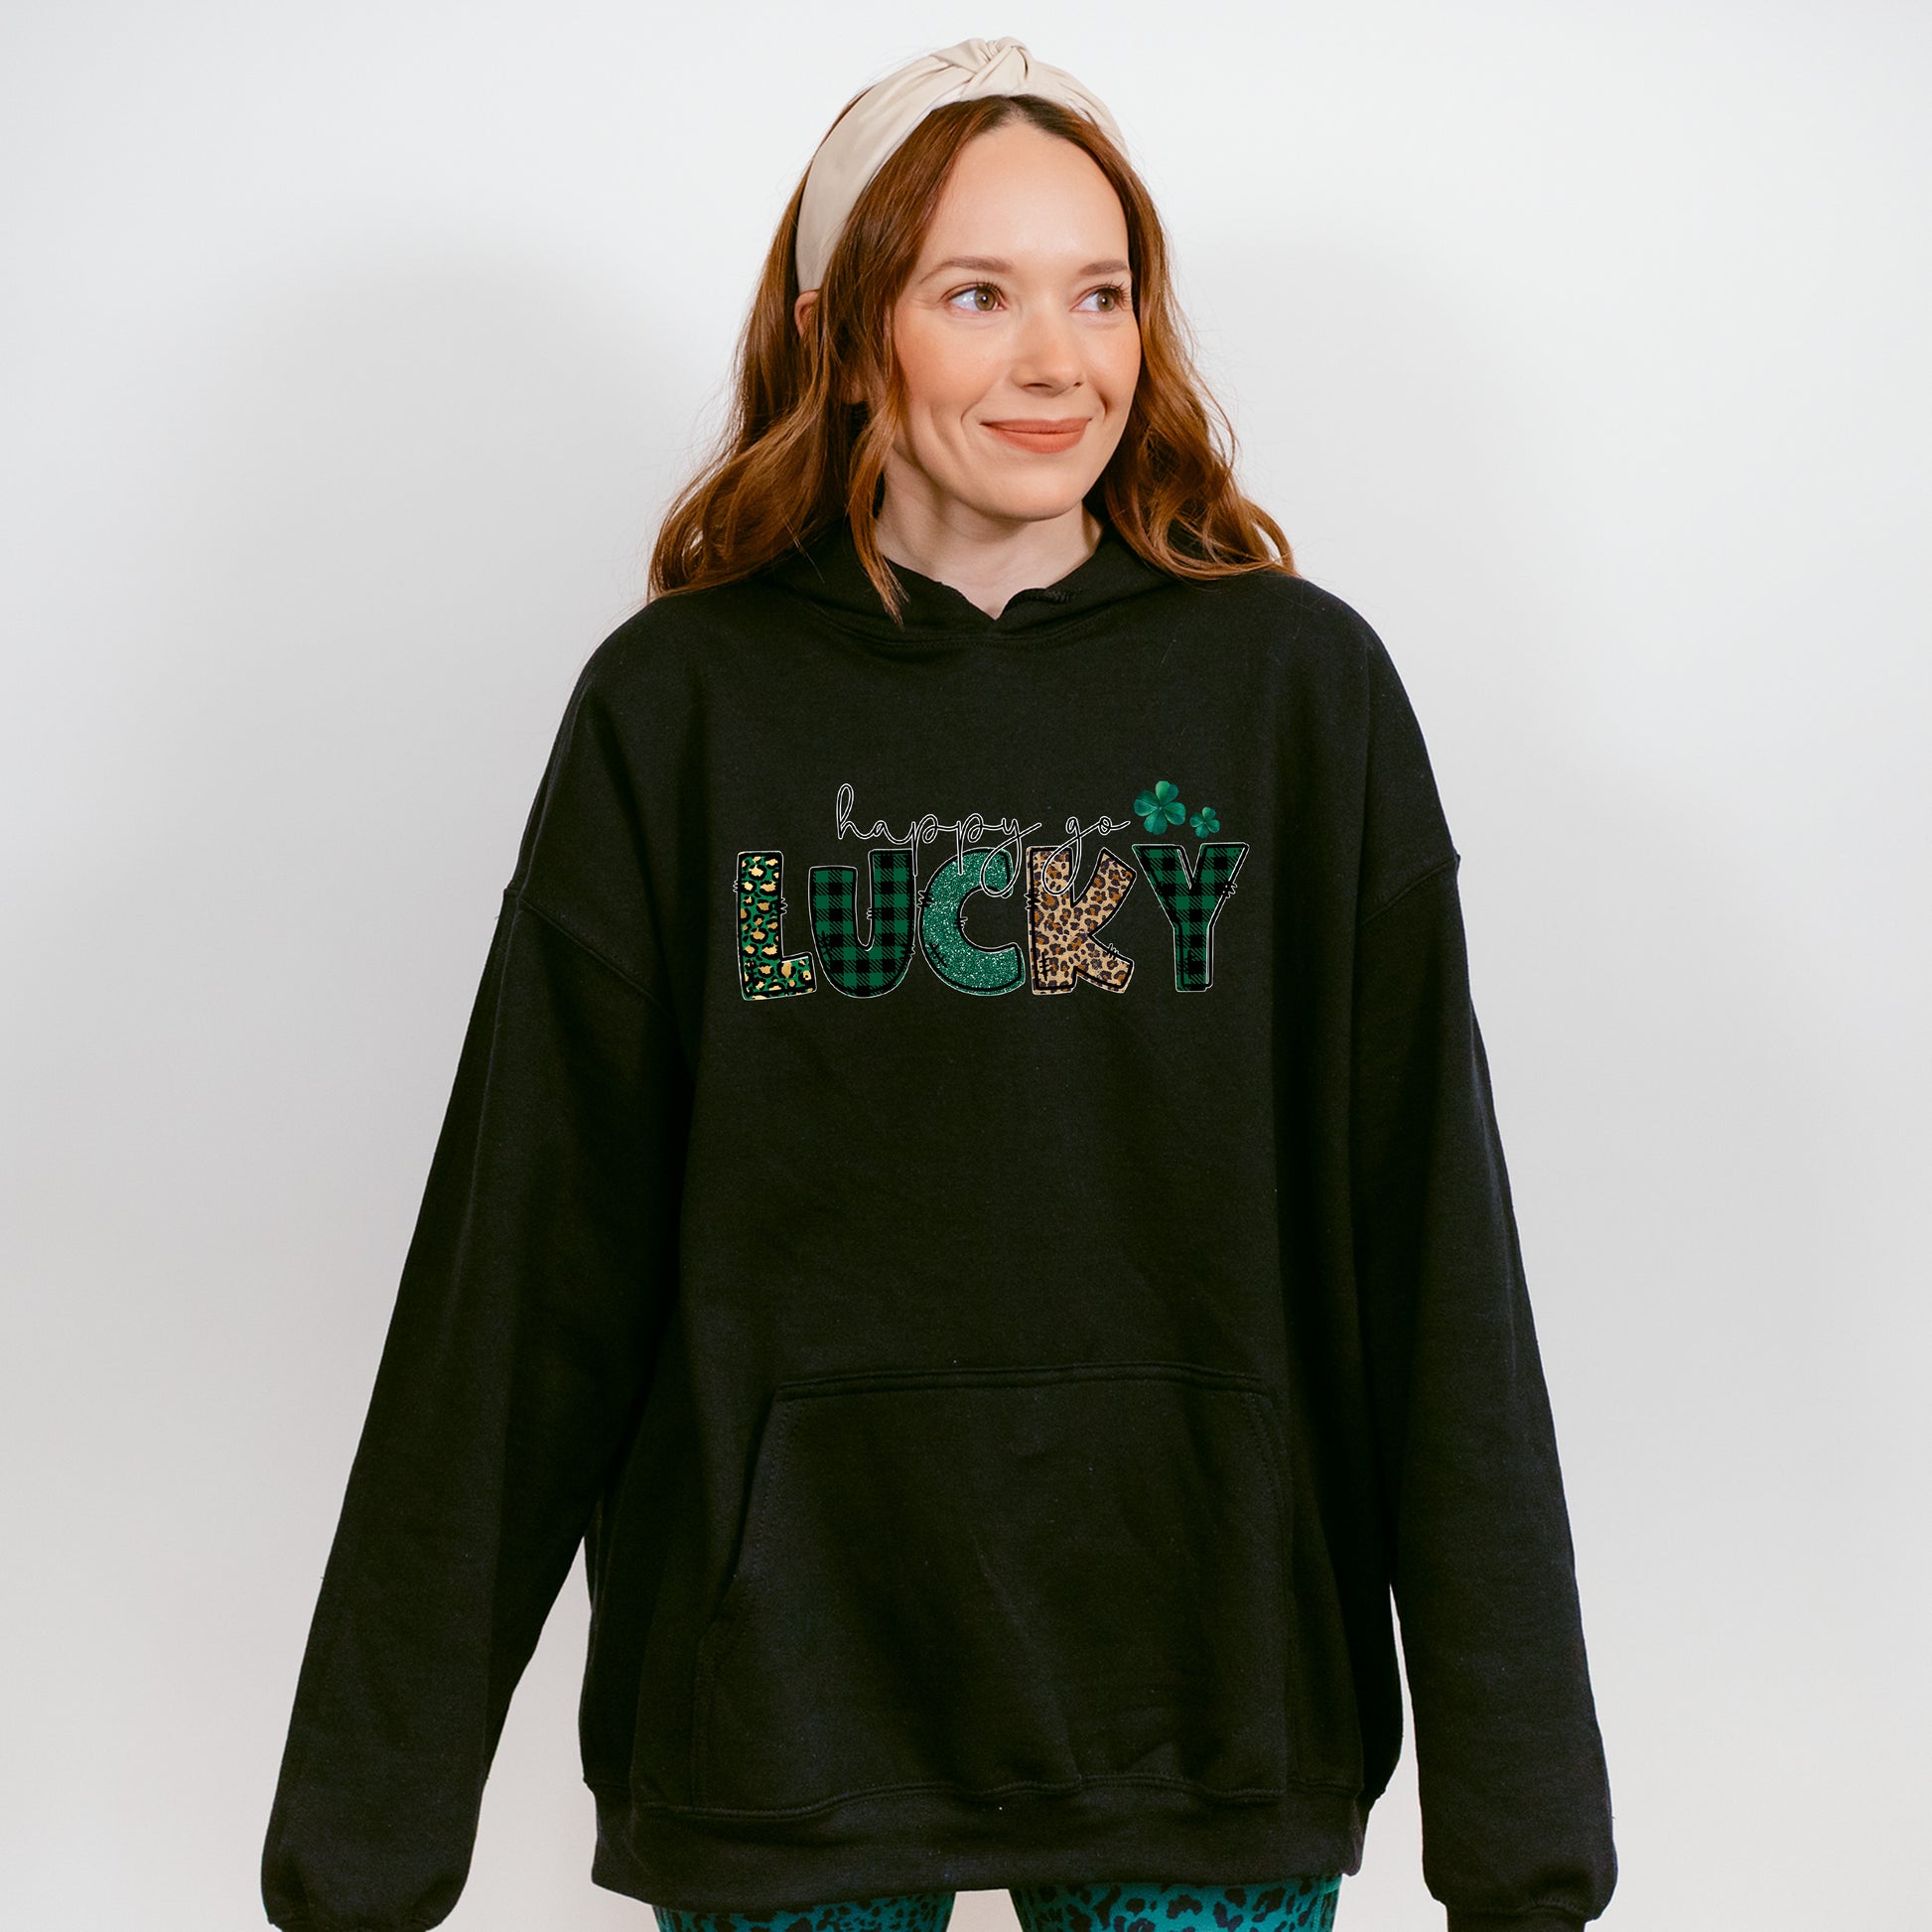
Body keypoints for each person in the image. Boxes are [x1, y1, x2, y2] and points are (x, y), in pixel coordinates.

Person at [260, 36, 1616, 1932]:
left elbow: (1432, 1243)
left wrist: (1523, 1812)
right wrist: (366, 1834)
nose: (1058, 361)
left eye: (1100, 294)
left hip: (1205, 1692)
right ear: (842, 331)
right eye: (977, 294)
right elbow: (524, 1267)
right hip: (779, 1701)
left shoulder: (1296, 698)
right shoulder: (682, 711)